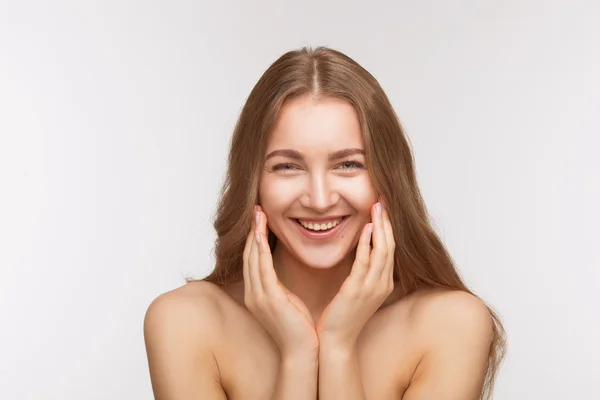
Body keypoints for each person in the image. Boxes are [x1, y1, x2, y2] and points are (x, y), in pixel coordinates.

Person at [143, 46, 506, 400]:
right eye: (288, 166)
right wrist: (297, 355)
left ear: (386, 178)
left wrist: (337, 347)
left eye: (348, 164)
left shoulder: (453, 325)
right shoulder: (184, 323)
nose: (319, 200)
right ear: (253, 183)